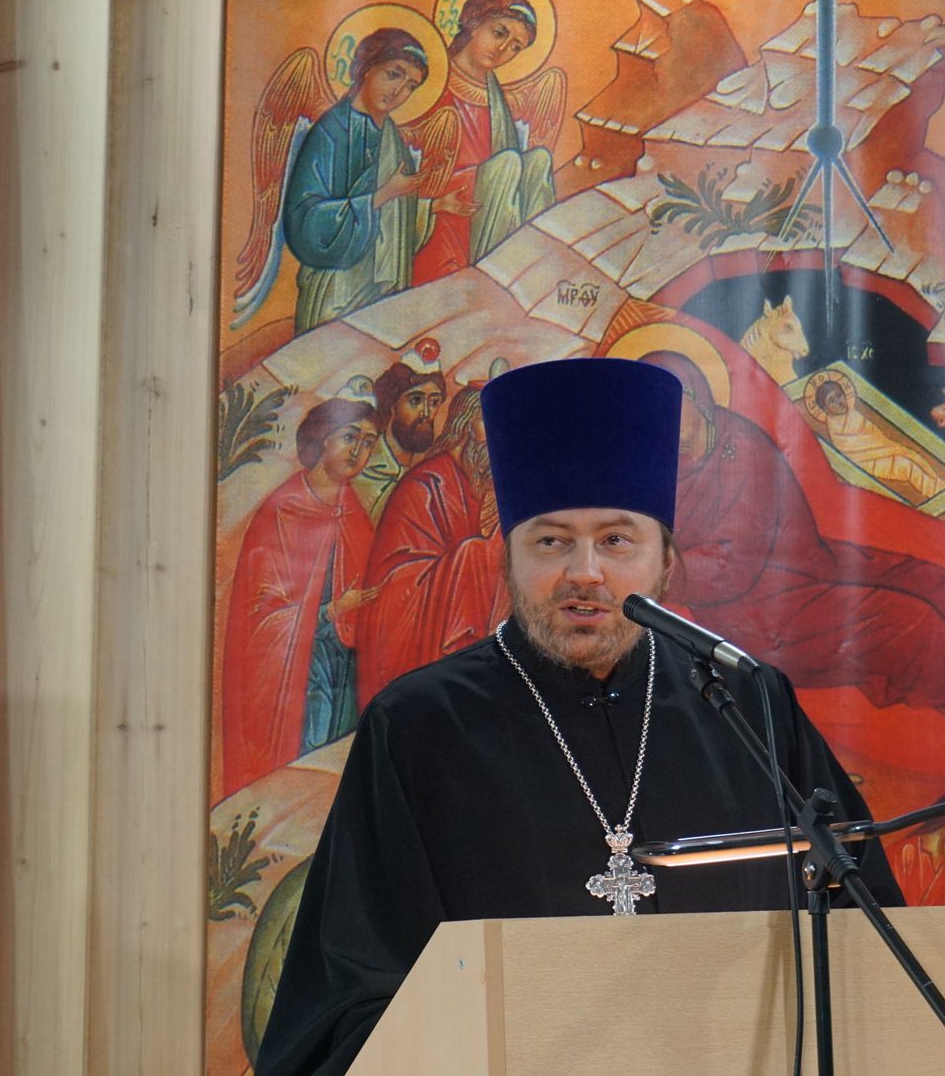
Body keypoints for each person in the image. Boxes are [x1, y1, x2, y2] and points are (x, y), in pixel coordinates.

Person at [255, 357, 902, 1076]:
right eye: (551, 541)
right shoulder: (415, 729)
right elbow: (351, 1006)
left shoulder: (750, 705)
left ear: (666, 560)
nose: (585, 572)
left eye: (617, 540)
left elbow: (870, 949)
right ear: (507, 558)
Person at [642, 350, 945, 752]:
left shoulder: (742, 443)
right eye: (655, 413)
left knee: (937, 582)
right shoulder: (655, 470)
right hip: (760, 621)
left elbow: (747, 549)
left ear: (699, 396)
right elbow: (725, 569)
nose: (667, 422)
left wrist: (662, 569)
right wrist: (655, 570)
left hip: (805, 569)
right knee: (921, 622)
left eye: (674, 405)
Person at [219, 396, 382, 798]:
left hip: (344, 661)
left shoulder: (354, 513)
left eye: (368, 443)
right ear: (323, 438)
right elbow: (260, 614)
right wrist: (330, 611)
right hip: (296, 668)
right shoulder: (283, 509)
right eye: (350, 437)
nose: (358, 451)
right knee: (306, 758)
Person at [281, 28, 470, 333]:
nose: (399, 92)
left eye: (410, 86)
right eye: (393, 74)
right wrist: (380, 196)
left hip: (377, 284)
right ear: (367, 69)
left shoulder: (391, 137)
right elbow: (305, 221)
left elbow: (396, 214)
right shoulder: (331, 131)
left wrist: (432, 207)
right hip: (337, 285)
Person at [353, 381, 508, 705]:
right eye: (488, 421)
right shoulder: (425, 485)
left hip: (468, 629)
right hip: (410, 630)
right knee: (473, 554)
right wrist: (471, 559)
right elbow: (393, 584)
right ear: (465, 425)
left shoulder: (486, 484)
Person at [410, 0, 563, 285]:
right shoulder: (430, 82)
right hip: (443, 200)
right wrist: (429, 203)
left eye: (516, 46)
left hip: (489, 197)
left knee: (539, 160)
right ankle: (497, 276)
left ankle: (535, 271)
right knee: (507, 164)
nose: (503, 49)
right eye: (499, 33)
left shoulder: (495, 96)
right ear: (474, 23)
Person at [806, 370, 945, 502]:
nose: (839, 402)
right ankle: (938, 494)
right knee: (906, 465)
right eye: (831, 401)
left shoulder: (853, 414)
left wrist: (887, 446)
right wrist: (885, 448)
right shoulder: (836, 428)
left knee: (915, 457)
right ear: (825, 409)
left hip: (883, 450)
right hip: (869, 462)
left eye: (839, 395)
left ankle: (942, 487)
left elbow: (874, 433)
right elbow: (854, 449)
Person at [351, 340, 448, 524]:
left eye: (434, 402)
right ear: (392, 403)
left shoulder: (432, 473)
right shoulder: (362, 468)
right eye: (416, 400)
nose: (426, 413)